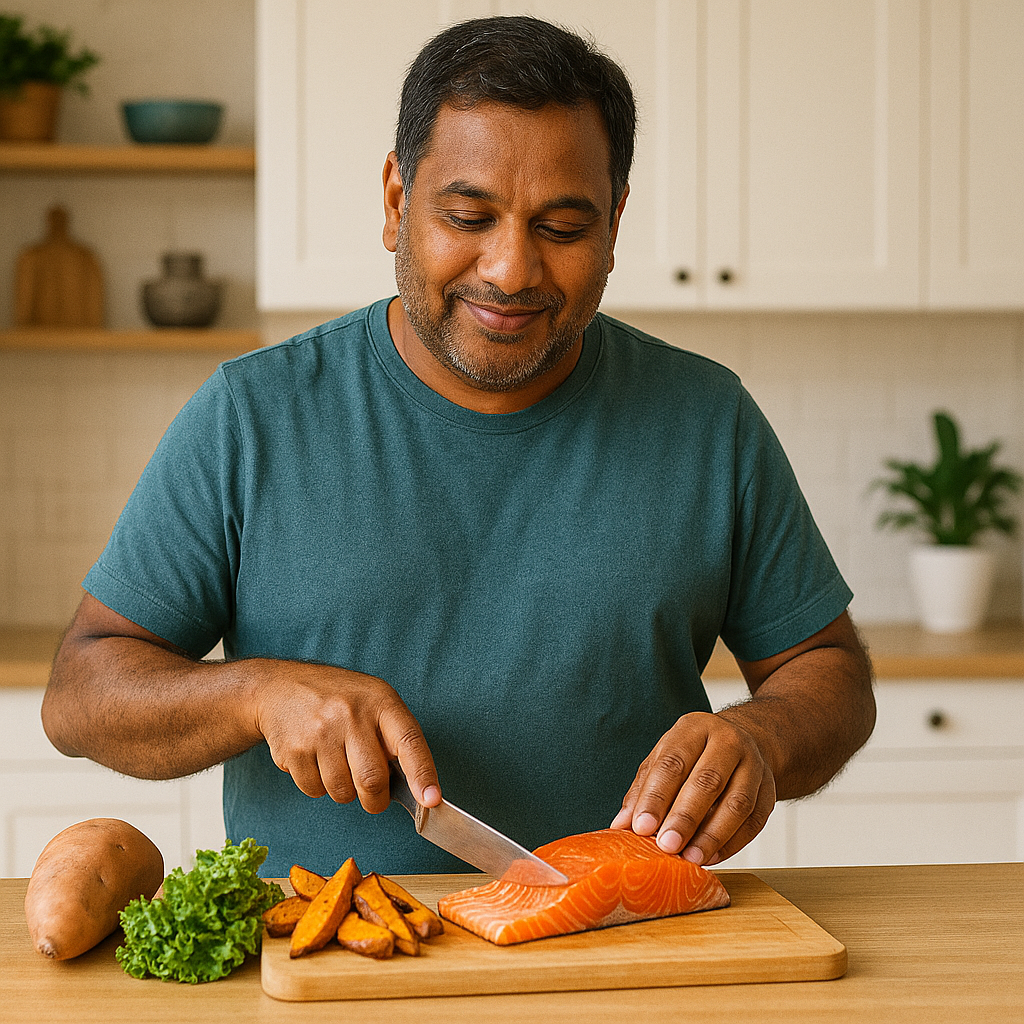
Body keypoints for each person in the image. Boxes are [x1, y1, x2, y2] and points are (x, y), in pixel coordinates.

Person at [41, 16, 875, 878]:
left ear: (615, 225)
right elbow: (81, 694)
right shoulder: (253, 415)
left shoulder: (708, 420)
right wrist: (254, 695)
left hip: (627, 958)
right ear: (398, 202)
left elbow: (828, 671)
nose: (511, 270)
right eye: (469, 214)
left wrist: (761, 739)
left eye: (561, 227)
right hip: (326, 972)